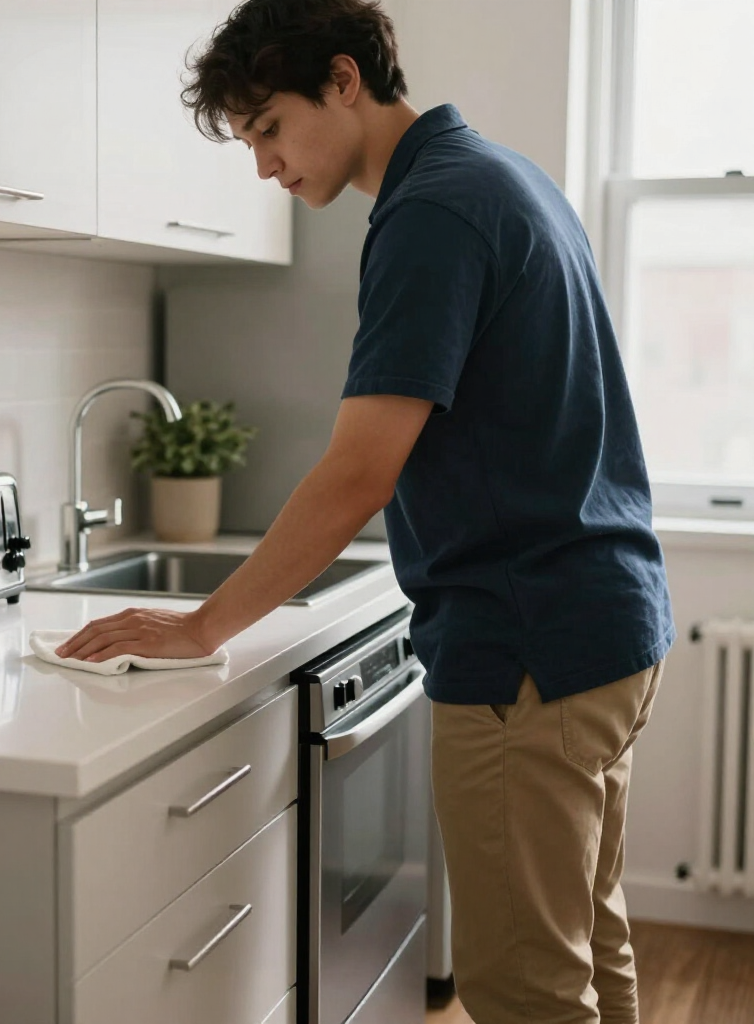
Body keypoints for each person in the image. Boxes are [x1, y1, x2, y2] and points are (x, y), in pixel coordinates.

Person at [55, 1, 675, 1020]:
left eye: (267, 128)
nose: (263, 167)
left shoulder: (430, 212)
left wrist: (205, 624)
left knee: (523, 984)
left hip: (528, 643)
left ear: (343, 80)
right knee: (586, 942)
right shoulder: (503, 176)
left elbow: (357, 472)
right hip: (600, 624)